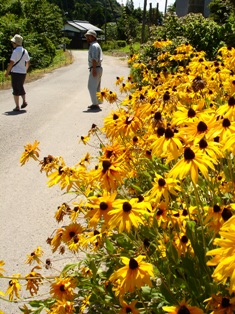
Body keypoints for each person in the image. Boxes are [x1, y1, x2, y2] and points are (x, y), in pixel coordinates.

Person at [5, 34, 30, 112]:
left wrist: (7, 72)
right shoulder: (24, 51)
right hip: (23, 72)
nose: (12, 44)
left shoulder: (15, 51)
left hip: (15, 72)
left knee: (15, 89)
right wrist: (25, 69)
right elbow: (28, 61)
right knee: (21, 86)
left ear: (16, 43)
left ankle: (17, 106)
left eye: (13, 43)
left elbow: (11, 63)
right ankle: (24, 101)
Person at [84, 30, 103, 111]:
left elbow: (94, 58)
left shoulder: (94, 46)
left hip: (95, 68)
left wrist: (94, 69)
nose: (87, 38)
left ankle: (95, 104)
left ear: (93, 37)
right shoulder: (95, 45)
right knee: (96, 87)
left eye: (89, 36)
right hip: (98, 68)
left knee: (91, 86)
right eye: (87, 36)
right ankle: (97, 102)